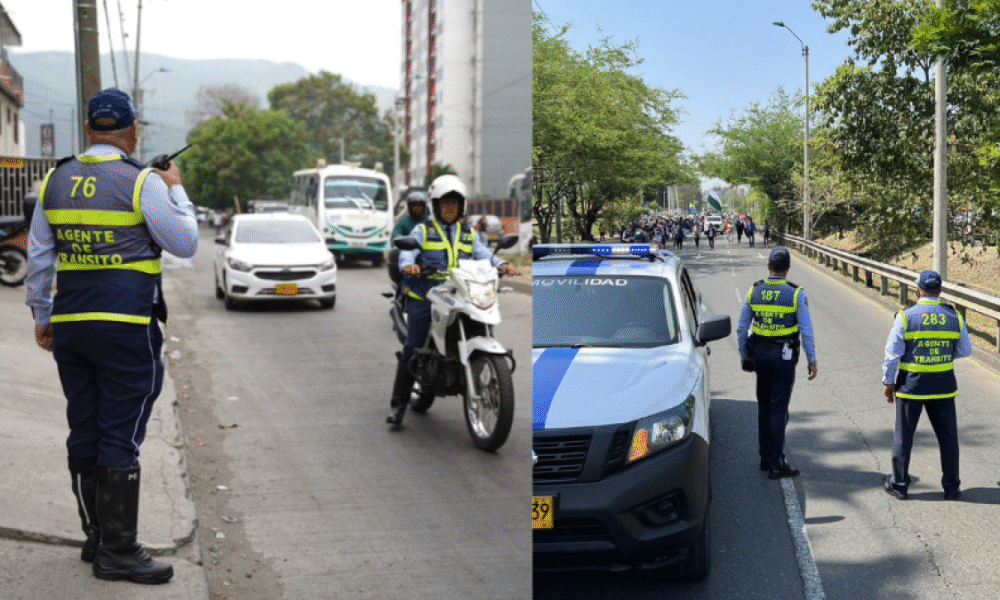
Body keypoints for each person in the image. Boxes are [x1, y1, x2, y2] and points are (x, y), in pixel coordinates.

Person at [25, 88, 198, 584]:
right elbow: (185, 243)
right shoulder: (144, 183)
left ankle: (96, 537)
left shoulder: (55, 180)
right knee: (119, 435)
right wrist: (177, 189)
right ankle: (119, 552)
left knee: (85, 426)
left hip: (72, 327)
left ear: (86, 130)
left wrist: (43, 316)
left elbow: (39, 259)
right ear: (133, 132)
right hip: (125, 327)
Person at [387, 174, 520, 426]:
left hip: (461, 293)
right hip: (427, 295)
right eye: (445, 204)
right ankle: (398, 406)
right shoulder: (423, 230)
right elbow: (408, 251)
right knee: (412, 347)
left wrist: (502, 264)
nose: (450, 209)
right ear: (436, 206)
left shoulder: (468, 233)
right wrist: (409, 266)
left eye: (454, 205)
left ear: (461, 207)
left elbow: (484, 255)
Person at [882, 270, 973, 501]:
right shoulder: (954, 317)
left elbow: (893, 355)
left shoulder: (905, 316)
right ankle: (952, 488)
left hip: (910, 387)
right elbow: (965, 350)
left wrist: (888, 382)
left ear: (918, 290)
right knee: (948, 438)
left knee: (904, 437)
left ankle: (900, 486)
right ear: (940, 291)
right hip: (943, 387)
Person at [736, 247, 818, 479]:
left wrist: (744, 353)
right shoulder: (795, 293)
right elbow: (807, 330)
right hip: (784, 357)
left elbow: (742, 327)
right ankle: (776, 463)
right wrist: (812, 360)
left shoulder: (755, 290)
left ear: (769, 267)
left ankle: (765, 456)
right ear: (788, 268)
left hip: (760, 356)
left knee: (763, 405)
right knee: (778, 409)